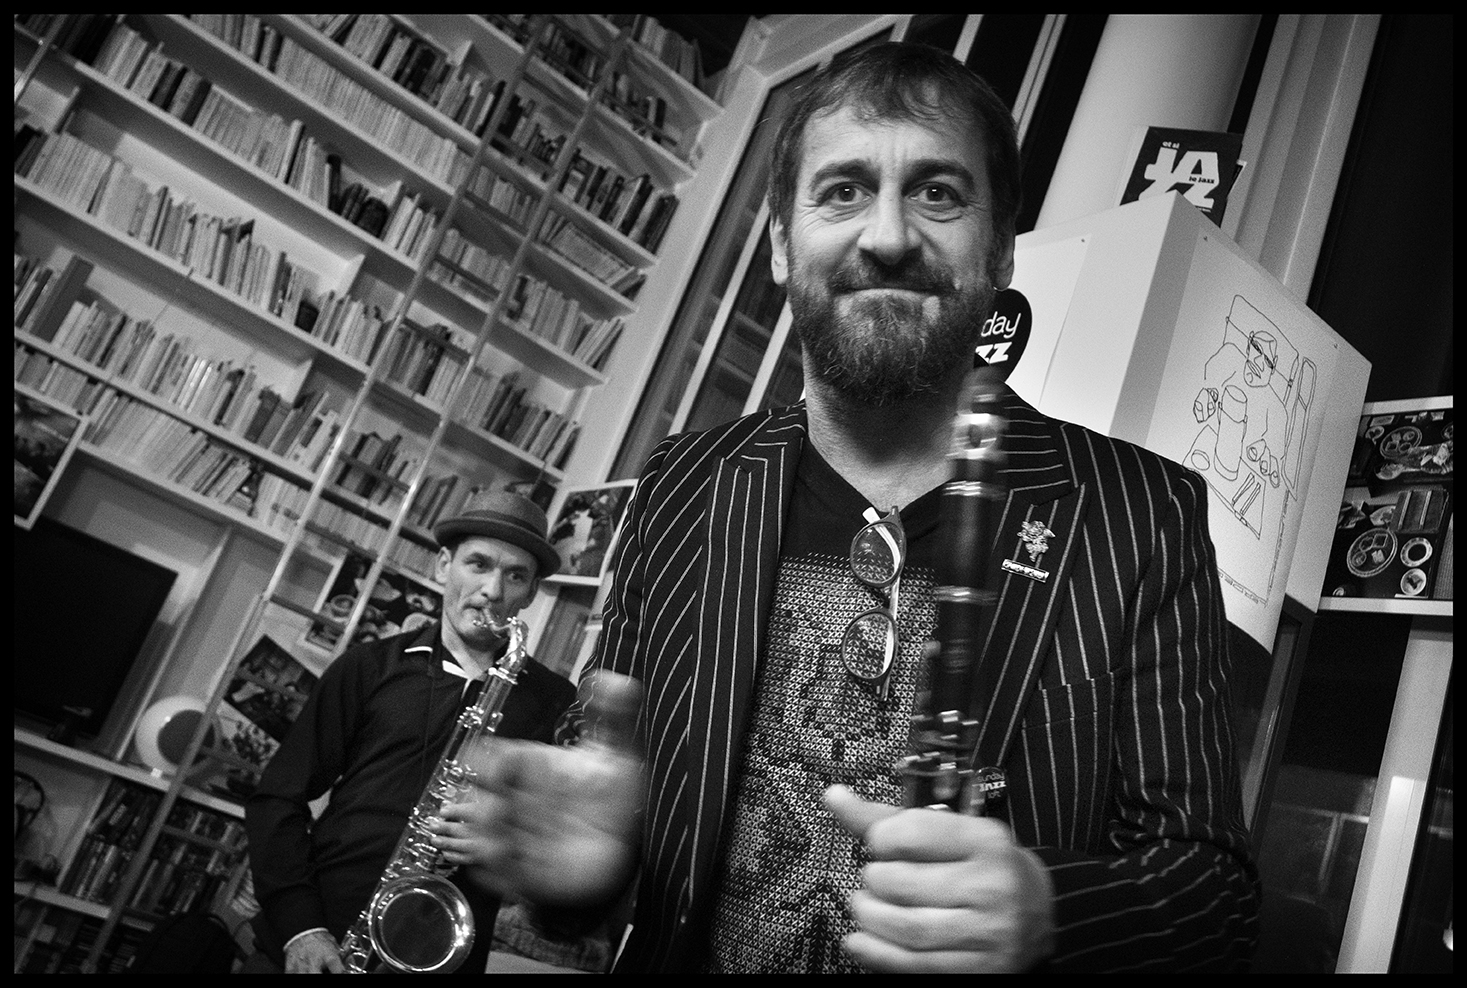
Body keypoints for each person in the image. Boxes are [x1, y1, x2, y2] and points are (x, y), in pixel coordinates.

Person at [430, 43, 1260, 973]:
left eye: (937, 193)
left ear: (999, 248)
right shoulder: (683, 481)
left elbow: (1213, 896)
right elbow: (605, 783)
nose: (888, 235)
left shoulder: (1141, 513)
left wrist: (1051, 912)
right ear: (781, 243)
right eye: (843, 191)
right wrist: (583, 879)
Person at [243, 489, 576, 973]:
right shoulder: (367, 667)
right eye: (478, 564)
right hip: (319, 939)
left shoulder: (555, 701)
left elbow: (560, 853)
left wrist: (505, 845)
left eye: (515, 575)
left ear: (530, 592)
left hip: (438, 956)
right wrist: (301, 927)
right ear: (443, 566)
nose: (493, 590)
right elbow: (277, 798)